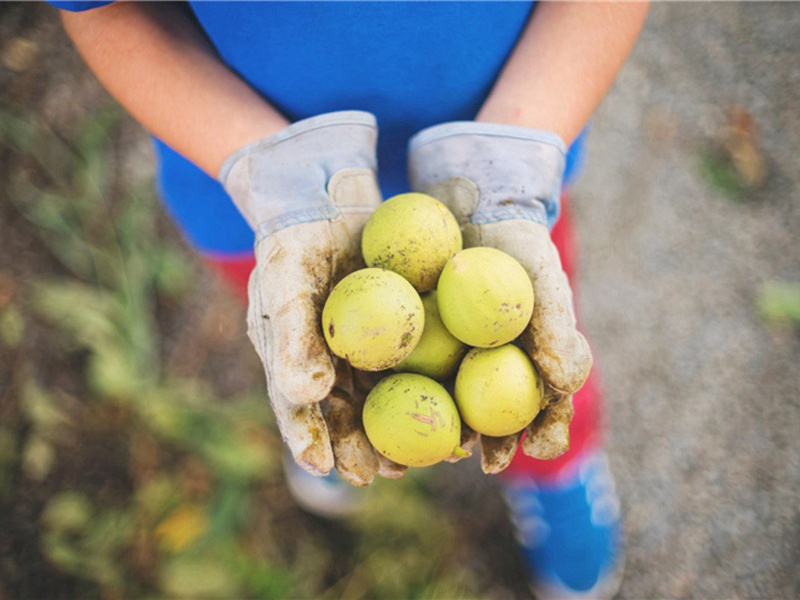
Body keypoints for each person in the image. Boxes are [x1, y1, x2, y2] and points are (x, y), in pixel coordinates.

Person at [52, 2, 650, 597]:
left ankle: (554, 473)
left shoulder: (489, 238)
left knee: (543, 348)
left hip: (496, 172)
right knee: (301, 331)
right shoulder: (285, 216)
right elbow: (103, 11)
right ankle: (336, 414)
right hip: (270, 200)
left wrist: (517, 143)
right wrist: (268, 168)